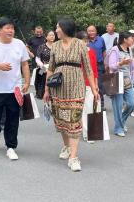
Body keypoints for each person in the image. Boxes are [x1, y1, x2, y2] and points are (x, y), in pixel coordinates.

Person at [43, 18, 99, 172]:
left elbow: (88, 68)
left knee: (74, 121)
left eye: (57, 27)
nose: (55, 30)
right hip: (58, 88)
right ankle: (67, 147)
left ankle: (73, 157)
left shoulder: (80, 44)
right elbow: (50, 69)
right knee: (61, 120)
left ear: (64, 28)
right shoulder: (54, 46)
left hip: (76, 87)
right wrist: (46, 90)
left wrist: (94, 89)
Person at [0, 18, 30, 161]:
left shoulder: (19, 44)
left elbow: (25, 64)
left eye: (12, 28)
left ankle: (10, 147)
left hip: (14, 89)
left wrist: (26, 81)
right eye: (7, 28)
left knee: (13, 119)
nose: (11, 31)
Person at [108, 31, 134, 137]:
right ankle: (118, 128)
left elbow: (132, 65)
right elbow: (111, 66)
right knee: (118, 106)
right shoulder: (115, 50)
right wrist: (121, 63)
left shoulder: (129, 50)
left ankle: (121, 122)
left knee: (131, 104)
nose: (133, 40)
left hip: (127, 80)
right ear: (125, 39)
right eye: (131, 38)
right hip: (116, 80)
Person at [76, 31, 99, 144]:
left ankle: (88, 132)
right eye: (82, 41)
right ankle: (85, 132)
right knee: (82, 109)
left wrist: (96, 85)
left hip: (89, 84)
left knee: (89, 108)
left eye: (86, 41)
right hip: (77, 83)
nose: (85, 43)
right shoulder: (74, 52)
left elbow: (94, 70)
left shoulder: (92, 52)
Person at [87, 25, 107, 109]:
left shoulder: (101, 39)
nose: (91, 33)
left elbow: (104, 52)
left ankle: (101, 104)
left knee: (99, 85)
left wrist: (103, 62)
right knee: (88, 86)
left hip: (99, 65)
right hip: (88, 65)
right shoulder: (85, 41)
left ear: (96, 31)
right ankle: (90, 104)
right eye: (89, 31)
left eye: (93, 31)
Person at [34, 30, 56, 99]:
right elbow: (37, 58)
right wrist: (42, 66)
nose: (52, 36)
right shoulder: (41, 47)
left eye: (53, 35)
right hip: (43, 67)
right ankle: (40, 94)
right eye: (50, 35)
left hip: (55, 68)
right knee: (40, 78)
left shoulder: (57, 46)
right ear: (46, 37)